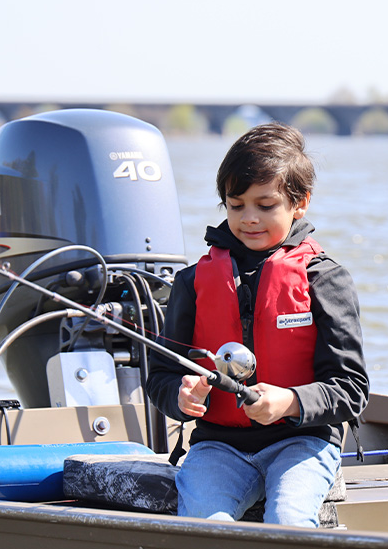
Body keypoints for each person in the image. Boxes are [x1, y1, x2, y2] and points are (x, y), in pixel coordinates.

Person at [145, 122, 369, 528]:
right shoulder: (191, 282)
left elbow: (352, 391)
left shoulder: (326, 279)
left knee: (288, 521)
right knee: (202, 529)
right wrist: (180, 397)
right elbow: (160, 377)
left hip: (304, 441)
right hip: (218, 446)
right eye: (236, 205)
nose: (249, 218)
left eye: (265, 206)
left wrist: (290, 402)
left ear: (299, 203)